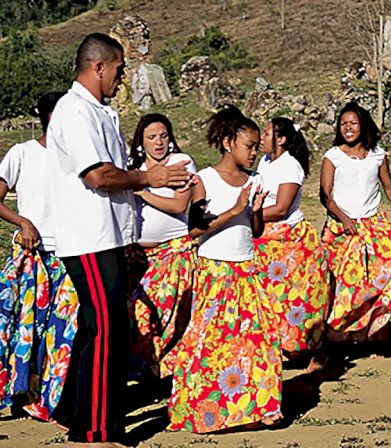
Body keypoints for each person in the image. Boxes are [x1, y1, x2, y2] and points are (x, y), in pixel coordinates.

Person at [46, 33, 190, 445]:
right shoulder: (74, 112)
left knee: (97, 325)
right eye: (119, 69)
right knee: (108, 329)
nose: (122, 77)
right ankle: (95, 428)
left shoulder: (99, 113)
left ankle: (75, 410)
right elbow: (98, 175)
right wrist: (151, 177)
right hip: (88, 235)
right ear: (99, 67)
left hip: (107, 234)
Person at [166, 105, 283, 433]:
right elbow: (195, 229)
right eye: (249, 146)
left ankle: (266, 406)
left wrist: (254, 212)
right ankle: (204, 409)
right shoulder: (204, 179)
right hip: (215, 271)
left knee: (259, 338)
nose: (254, 152)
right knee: (211, 343)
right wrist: (234, 210)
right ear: (229, 142)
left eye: (257, 145)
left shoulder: (256, 179)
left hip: (247, 268)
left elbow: (255, 230)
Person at [0, 92, 78, 422]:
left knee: (61, 332)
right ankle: (16, 391)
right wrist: (22, 221)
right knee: (19, 327)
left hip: (68, 254)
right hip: (31, 254)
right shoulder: (22, 153)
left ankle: (48, 399)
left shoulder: (76, 159)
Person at [319, 101, 391, 346]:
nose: (347, 128)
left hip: (374, 228)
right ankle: (337, 335)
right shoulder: (332, 156)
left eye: (352, 123)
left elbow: (389, 187)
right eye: (343, 124)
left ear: (363, 126)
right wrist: (344, 219)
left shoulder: (378, 156)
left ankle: (373, 330)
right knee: (341, 285)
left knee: (375, 280)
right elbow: (325, 195)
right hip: (341, 230)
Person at [127, 114, 200, 381]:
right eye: (152, 137)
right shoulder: (132, 167)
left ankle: (161, 370)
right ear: (141, 141)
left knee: (161, 315)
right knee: (135, 315)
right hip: (137, 256)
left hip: (172, 252)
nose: (158, 142)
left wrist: (143, 189)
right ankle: (146, 370)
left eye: (163, 136)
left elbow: (180, 205)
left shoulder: (181, 163)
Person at [254, 117, 328, 373]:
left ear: (281, 140)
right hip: (264, 239)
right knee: (269, 299)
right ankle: (279, 347)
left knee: (299, 299)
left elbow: (281, 208)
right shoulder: (264, 162)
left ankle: (316, 353)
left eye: (266, 134)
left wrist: (245, 214)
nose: (261, 138)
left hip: (289, 241)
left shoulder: (290, 166)